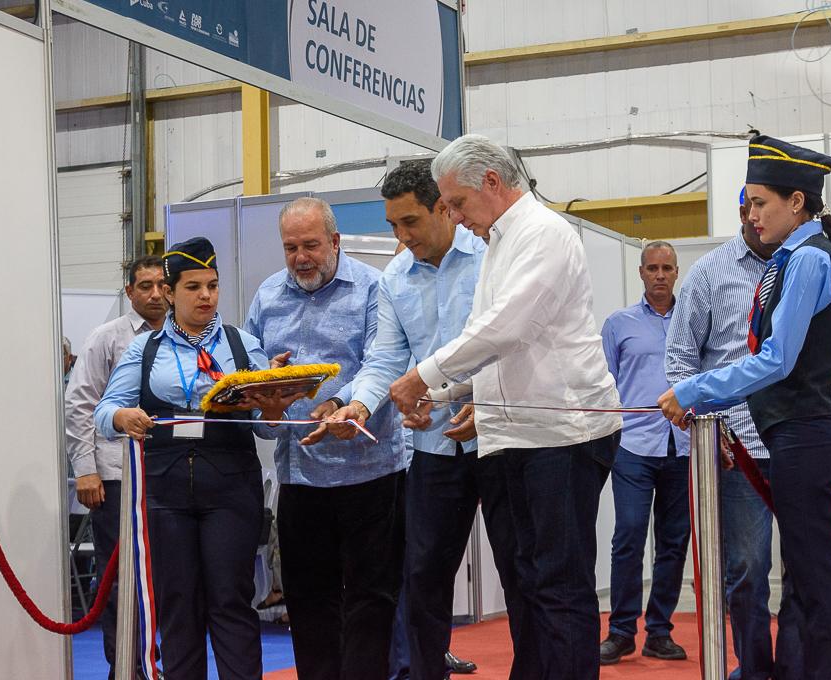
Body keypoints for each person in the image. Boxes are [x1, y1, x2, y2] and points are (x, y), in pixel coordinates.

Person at [389, 134, 623, 680]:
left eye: (457, 204)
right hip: (521, 434)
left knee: (559, 584)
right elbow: (491, 342)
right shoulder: (502, 240)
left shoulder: (543, 233)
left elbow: (507, 328)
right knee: (531, 580)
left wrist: (423, 376)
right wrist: (441, 393)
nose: (454, 216)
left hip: (562, 433)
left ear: (492, 182)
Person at [666, 190, 831, 680]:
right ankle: (755, 671)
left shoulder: (813, 262)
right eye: (748, 208)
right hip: (740, 448)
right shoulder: (709, 275)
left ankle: (796, 670)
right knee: (747, 573)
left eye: (763, 205)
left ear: (793, 205)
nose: (755, 217)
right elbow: (679, 358)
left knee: (811, 574)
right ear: (740, 213)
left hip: (811, 441)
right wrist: (701, 421)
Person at [315, 161, 518, 680]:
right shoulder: (394, 280)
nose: (402, 237)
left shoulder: (494, 259)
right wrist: (358, 406)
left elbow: (510, 343)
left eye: (411, 223)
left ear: (445, 209)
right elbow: (386, 358)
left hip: (501, 439)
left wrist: (483, 395)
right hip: (431, 451)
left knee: (522, 577)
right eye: (393, 226)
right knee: (424, 579)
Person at [95, 237, 297, 680]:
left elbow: (265, 426)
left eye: (213, 285)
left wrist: (275, 408)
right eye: (193, 287)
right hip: (164, 492)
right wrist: (124, 415)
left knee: (230, 600)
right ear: (169, 293)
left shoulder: (241, 346)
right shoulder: (146, 350)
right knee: (178, 604)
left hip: (231, 489)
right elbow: (103, 412)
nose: (206, 296)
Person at [247, 197, 407, 680]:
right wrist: (265, 404)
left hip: (372, 473)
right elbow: (251, 380)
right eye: (291, 247)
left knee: (371, 600)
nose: (301, 258)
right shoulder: (267, 297)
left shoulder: (374, 289)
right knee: (307, 599)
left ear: (335, 242)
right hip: (300, 476)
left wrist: (343, 403)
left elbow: (384, 362)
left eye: (312, 245)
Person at [65, 255, 167, 679]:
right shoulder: (106, 338)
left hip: (171, 475)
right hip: (116, 477)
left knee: (165, 577)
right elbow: (80, 403)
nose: (156, 294)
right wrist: (86, 469)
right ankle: (124, 668)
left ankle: (158, 664)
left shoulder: (187, 337)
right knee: (121, 579)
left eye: (162, 284)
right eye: (145, 286)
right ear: (130, 292)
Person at [599, 240, 690, 665]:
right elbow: (605, 384)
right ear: (640, 272)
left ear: (676, 272)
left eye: (666, 268)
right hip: (633, 445)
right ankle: (620, 631)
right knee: (629, 536)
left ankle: (659, 631)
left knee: (673, 542)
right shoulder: (618, 324)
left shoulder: (694, 321)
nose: (659, 275)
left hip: (684, 446)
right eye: (651, 267)